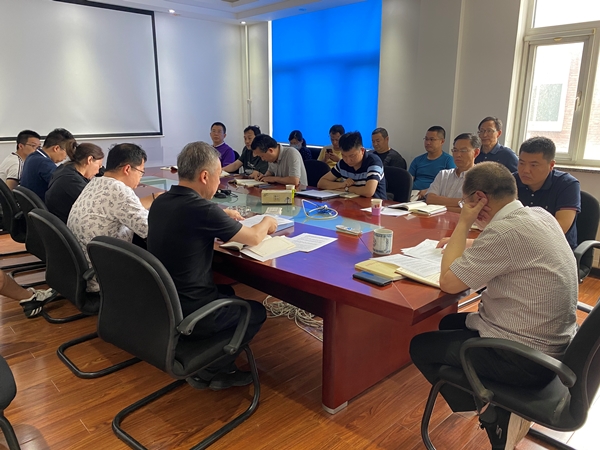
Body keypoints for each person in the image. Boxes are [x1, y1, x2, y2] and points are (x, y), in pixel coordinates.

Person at [410, 162, 578, 450]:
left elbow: (448, 282)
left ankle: (491, 413)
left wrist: (463, 223)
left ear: (479, 200)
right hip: (556, 349)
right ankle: (487, 401)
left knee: (420, 346)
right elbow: (510, 247)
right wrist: (465, 242)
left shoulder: (503, 233)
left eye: (466, 202)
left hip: (525, 359)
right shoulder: (539, 215)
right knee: (449, 322)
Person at [147, 141, 277, 390]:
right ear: (205, 176)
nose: (219, 183)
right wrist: (267, 221)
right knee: (256, 311)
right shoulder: (203, 210)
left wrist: (220, 214)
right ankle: (213, 370)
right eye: (219, 176)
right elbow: (253, 237)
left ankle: (209, 355)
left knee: (227, 291)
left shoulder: (161, 202)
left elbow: (192, 219)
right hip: (191, 307)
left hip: (165, 303)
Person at [68, 143, 154, 291]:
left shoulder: (95, 182)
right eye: (141, 172)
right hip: (102, 276)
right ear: (127, 169)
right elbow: (150, 230)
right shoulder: (119, 190)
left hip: (83, 269)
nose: (140, 178)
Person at [515, 136, 580, 249]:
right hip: (518, 245)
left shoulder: (567, 184)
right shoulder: (511, 181)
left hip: (555, 248)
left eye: (533, 165)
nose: (525, 170)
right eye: (521, 163)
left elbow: (560, 228)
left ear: (551, 165)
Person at [45, 142, 104, 223]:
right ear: (89, 160)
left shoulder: (65, 168)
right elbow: (97, 204)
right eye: (99, 166)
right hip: (66, 224)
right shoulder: (72, 181)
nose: (98, 171)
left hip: (58, 219)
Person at [317, 131, 386, 199]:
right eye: (344, 155)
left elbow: (368, 192)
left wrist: (347, 189)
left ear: (362, 150)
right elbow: (321, 183)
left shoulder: (373, 162)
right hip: (350, 202)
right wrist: (342, 184)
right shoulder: (342, 163)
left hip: (374, 204)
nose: (348, 160)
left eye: (352, 156)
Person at [426, 133, 480, 213]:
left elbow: (473, 209)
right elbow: (430, 199)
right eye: (455, 150)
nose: (458, 155)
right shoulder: (443, 174)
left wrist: (439, 207)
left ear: (476, 152)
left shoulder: (480, 179)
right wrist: (462, 202)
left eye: (463, 151)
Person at [20, 128, 73, 201]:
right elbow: (63, 184)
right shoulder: (44, 163)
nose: (65, 157)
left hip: (31, 205)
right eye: (66, 152)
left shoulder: (32, 156)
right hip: (43, 205)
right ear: (56, 148)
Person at [408, 126, 455, 199]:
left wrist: (428, 191)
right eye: (426, 139)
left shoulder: (448, 160)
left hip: (432, 196)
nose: (428, 143)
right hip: (413, 194)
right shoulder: (417, 160)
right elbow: (409, 180)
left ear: (442, 141)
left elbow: (449, 185)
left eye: (432, 139)